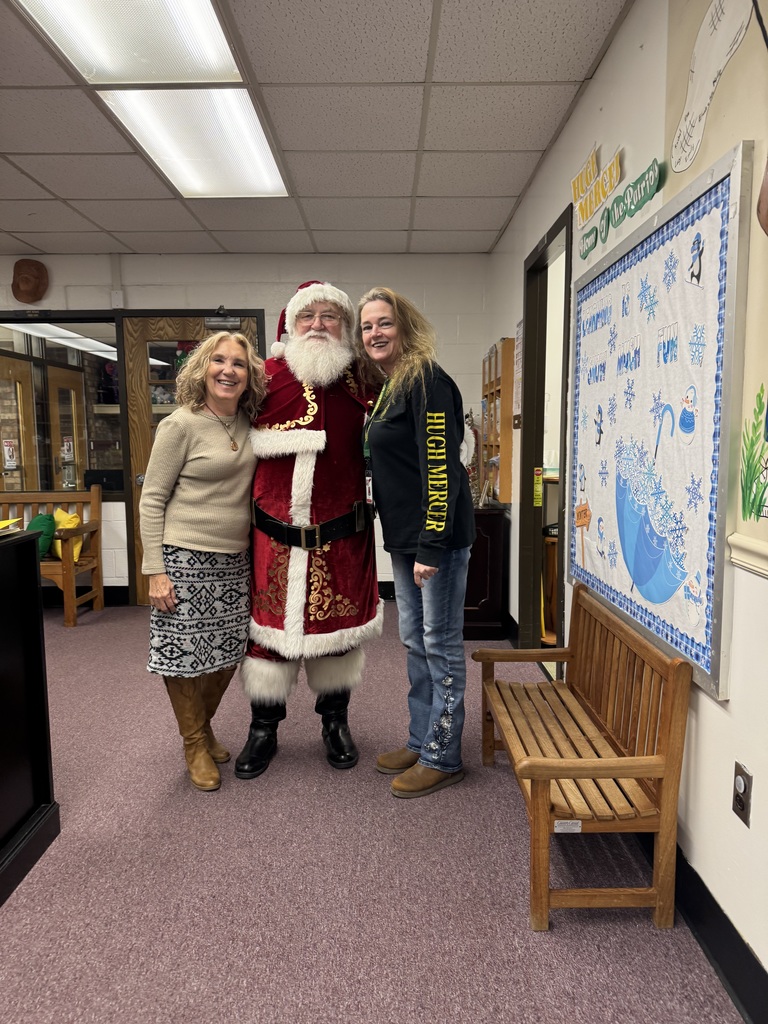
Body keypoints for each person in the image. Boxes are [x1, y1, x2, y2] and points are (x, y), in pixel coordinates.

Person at [236, 281, 383, 779]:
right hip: (271, 540)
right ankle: (263, 729)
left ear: (345, 327)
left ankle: (335, 722)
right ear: (289, 324)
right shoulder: (261, 380)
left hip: (342, 539)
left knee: (337, 635)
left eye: (329, 316)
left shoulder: (365, 382)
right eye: (308, 316)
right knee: (267, 638)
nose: (318, 325)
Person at [356, 287, 476, 798]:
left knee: (440, 643)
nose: (375, 334)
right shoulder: (390, 386)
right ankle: (420, 736)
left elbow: (441, 467)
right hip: (404, 539)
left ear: (404, 327)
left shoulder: (426, 380)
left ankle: (443, 755)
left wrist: (431, 544)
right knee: (412, 639)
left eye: (384, 323)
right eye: (366, 327)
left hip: (436, 541)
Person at [139, 331, 266, 792]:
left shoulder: (251, 425)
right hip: (182, 556)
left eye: (238, 363)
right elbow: (151, 500)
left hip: (235, 559)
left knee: (227, 653)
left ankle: (204, 726)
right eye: (219, 360)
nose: (228, 370)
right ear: (202, 369)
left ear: (250, 376)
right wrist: (155, 569)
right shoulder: (180, 424)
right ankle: (193, 742)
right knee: (183, 657)